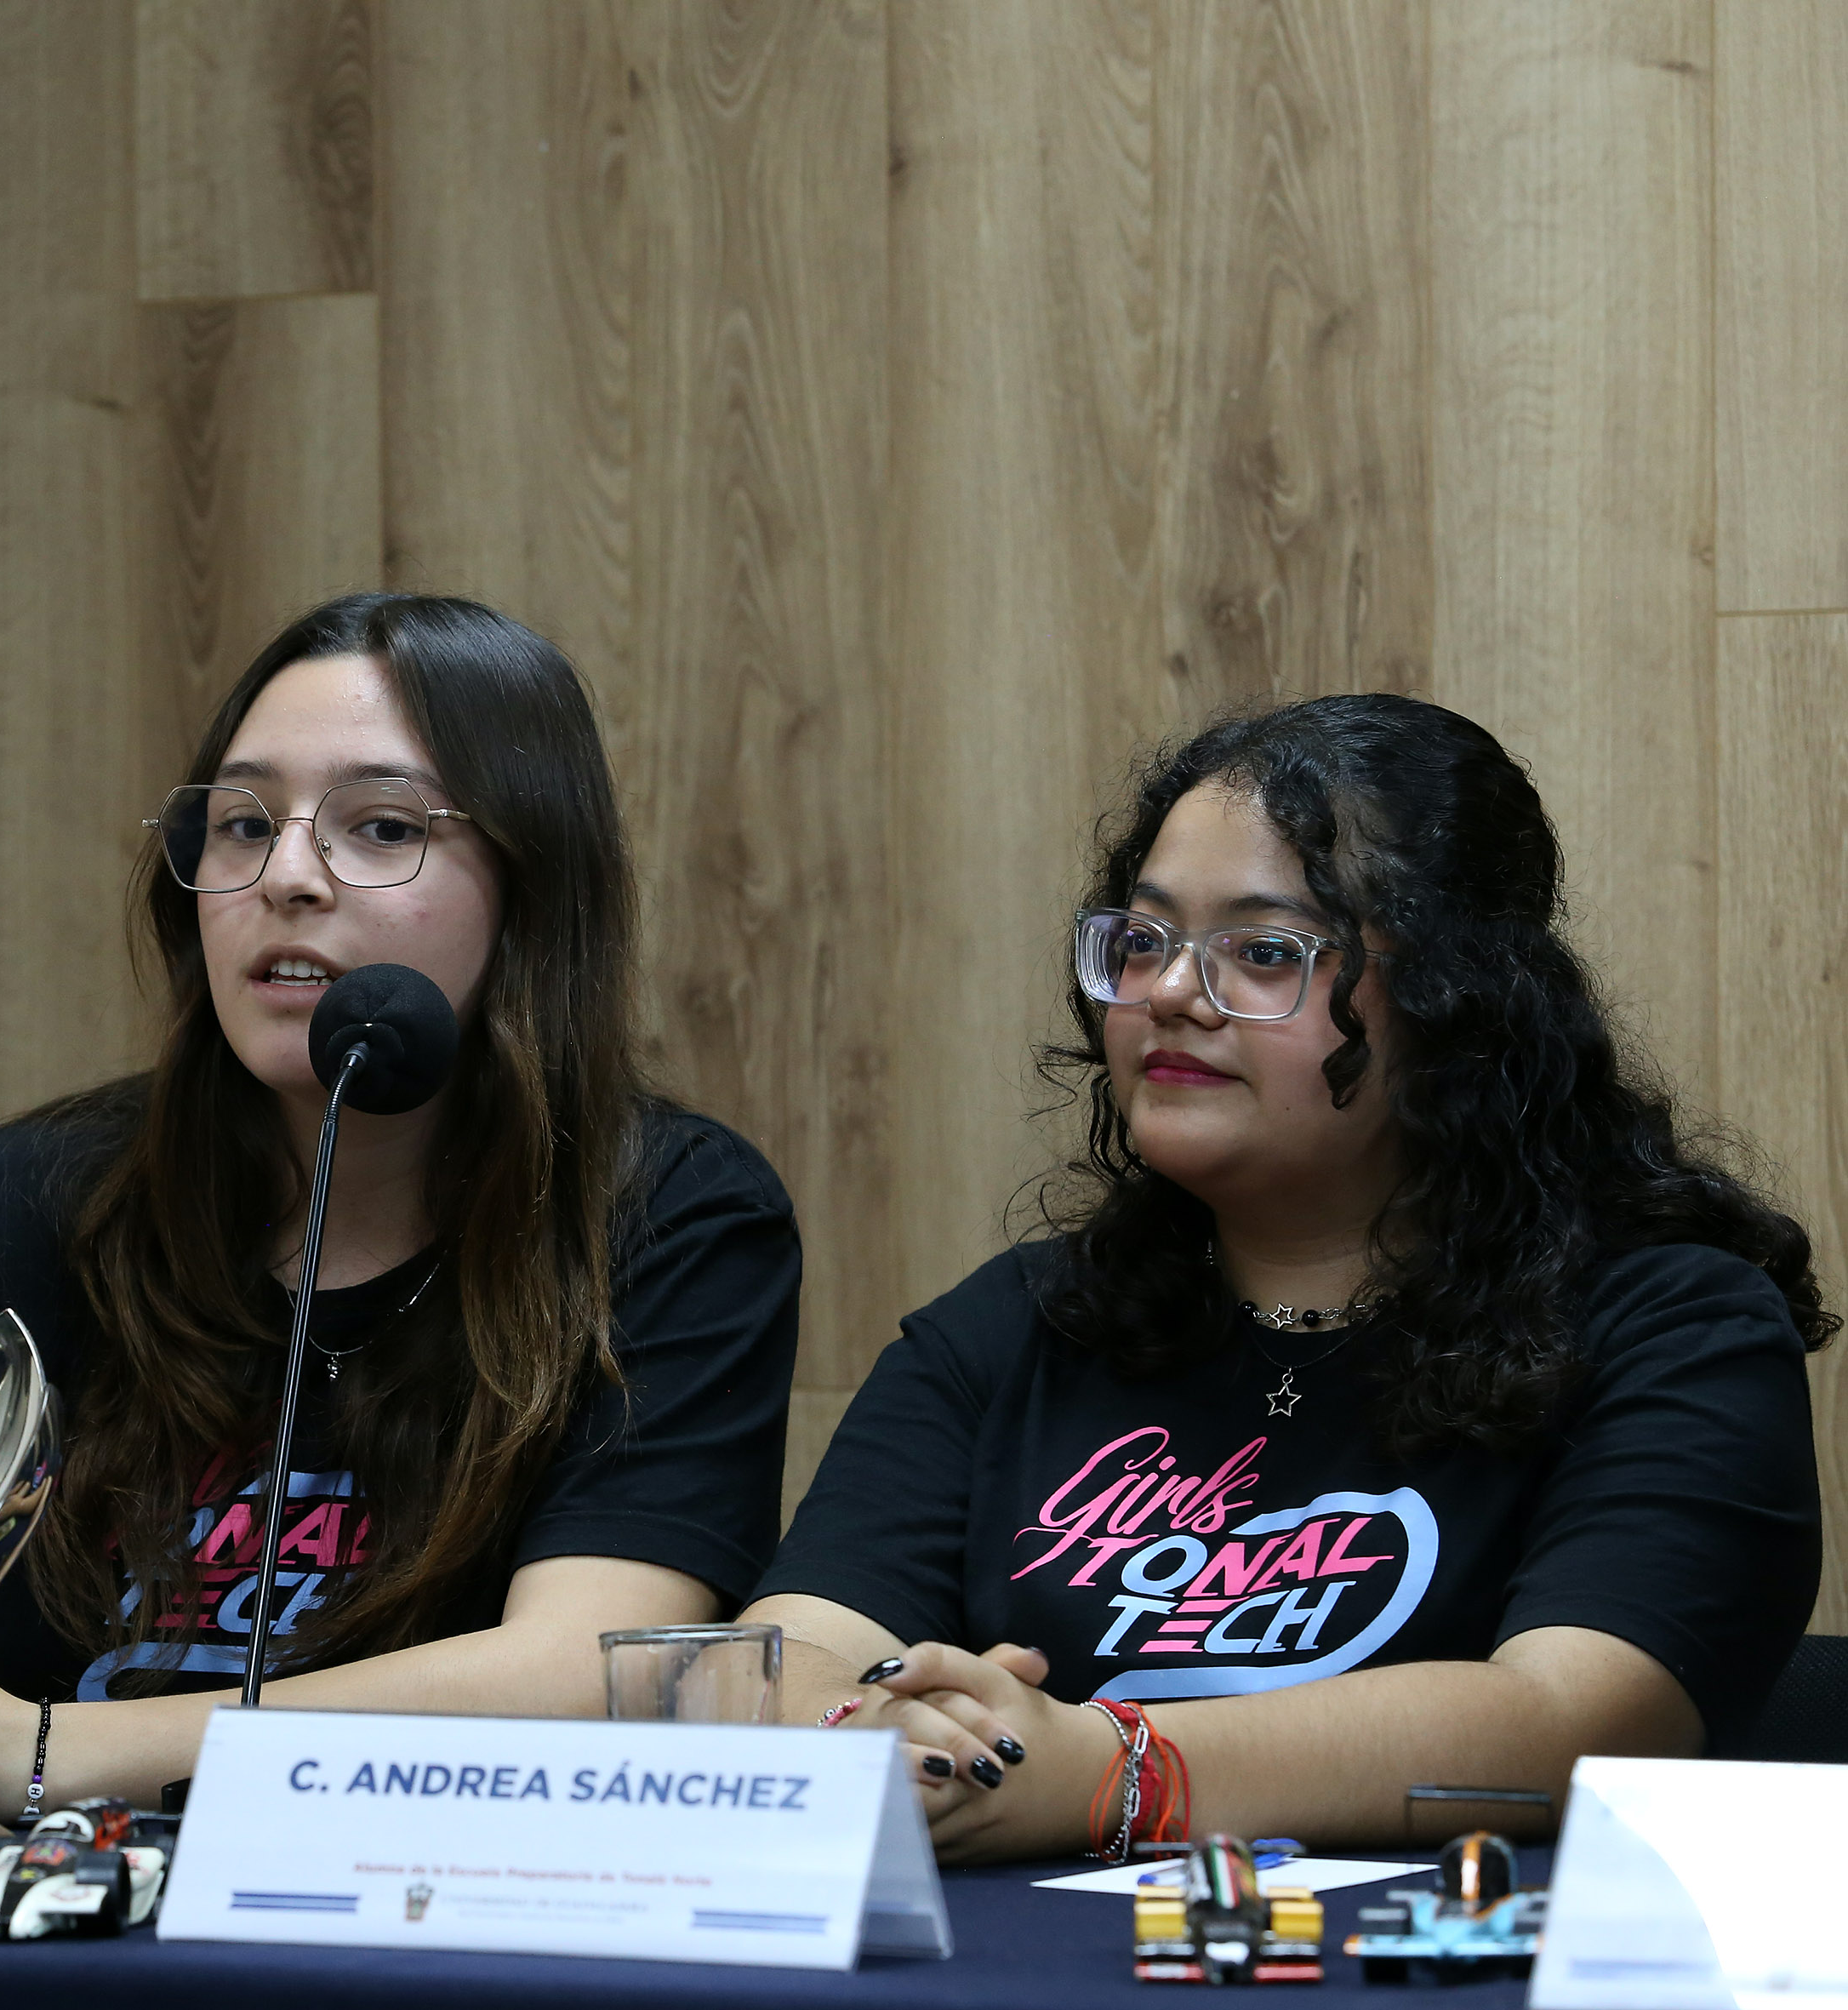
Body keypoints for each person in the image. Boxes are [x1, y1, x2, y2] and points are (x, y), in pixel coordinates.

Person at [746, 694, 1828, 1863]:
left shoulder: (1671, 1327)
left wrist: (1110, 1769)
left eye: (1264, 952)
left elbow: (1578, 1718)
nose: (1169, 992)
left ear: (1454, 1005)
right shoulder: (1016, 1325)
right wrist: (874, 1737)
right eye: (1144, 940)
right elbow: (781, 1657)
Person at [0, 593, 800, 1816]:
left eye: (381, 827)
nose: (284, 877)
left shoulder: (665, 1212)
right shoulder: (18, 1209)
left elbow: (598, 1674)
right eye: (241, 824)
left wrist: (42, 1752)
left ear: (533, 887)